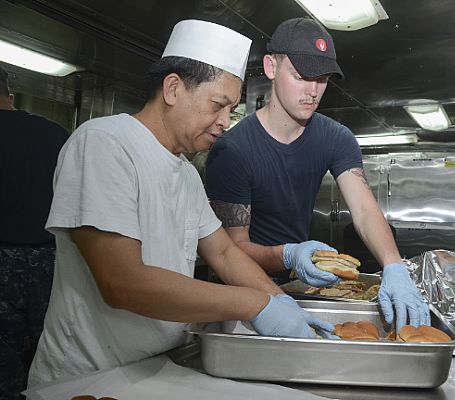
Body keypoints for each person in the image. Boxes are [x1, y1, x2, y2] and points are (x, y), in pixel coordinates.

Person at [27, 20, 336, 388]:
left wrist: (280, 301)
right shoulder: (104, 144)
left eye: (231, 109)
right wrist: (254, 305)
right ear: (173, 88)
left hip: (160, 369)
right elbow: (122, 282)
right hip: (91, 377)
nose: (225, 122)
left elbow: (222, 252)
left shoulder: (186, 173)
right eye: (218, 105)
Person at [204, 18, 430, 334]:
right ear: (270, 67)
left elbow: (364, 211)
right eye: (300, 77)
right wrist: (289, 255)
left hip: (301, 286)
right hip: (243, 296)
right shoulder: (234, 150)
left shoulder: (335, 138)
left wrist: (393, 264)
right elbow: (230, 249)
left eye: (322, 79)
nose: (313, 91)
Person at [0, 65, 70, 399]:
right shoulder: (55, 134)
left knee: (3, 359)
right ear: (9, 96)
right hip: (51, 261)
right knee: (50, 351)